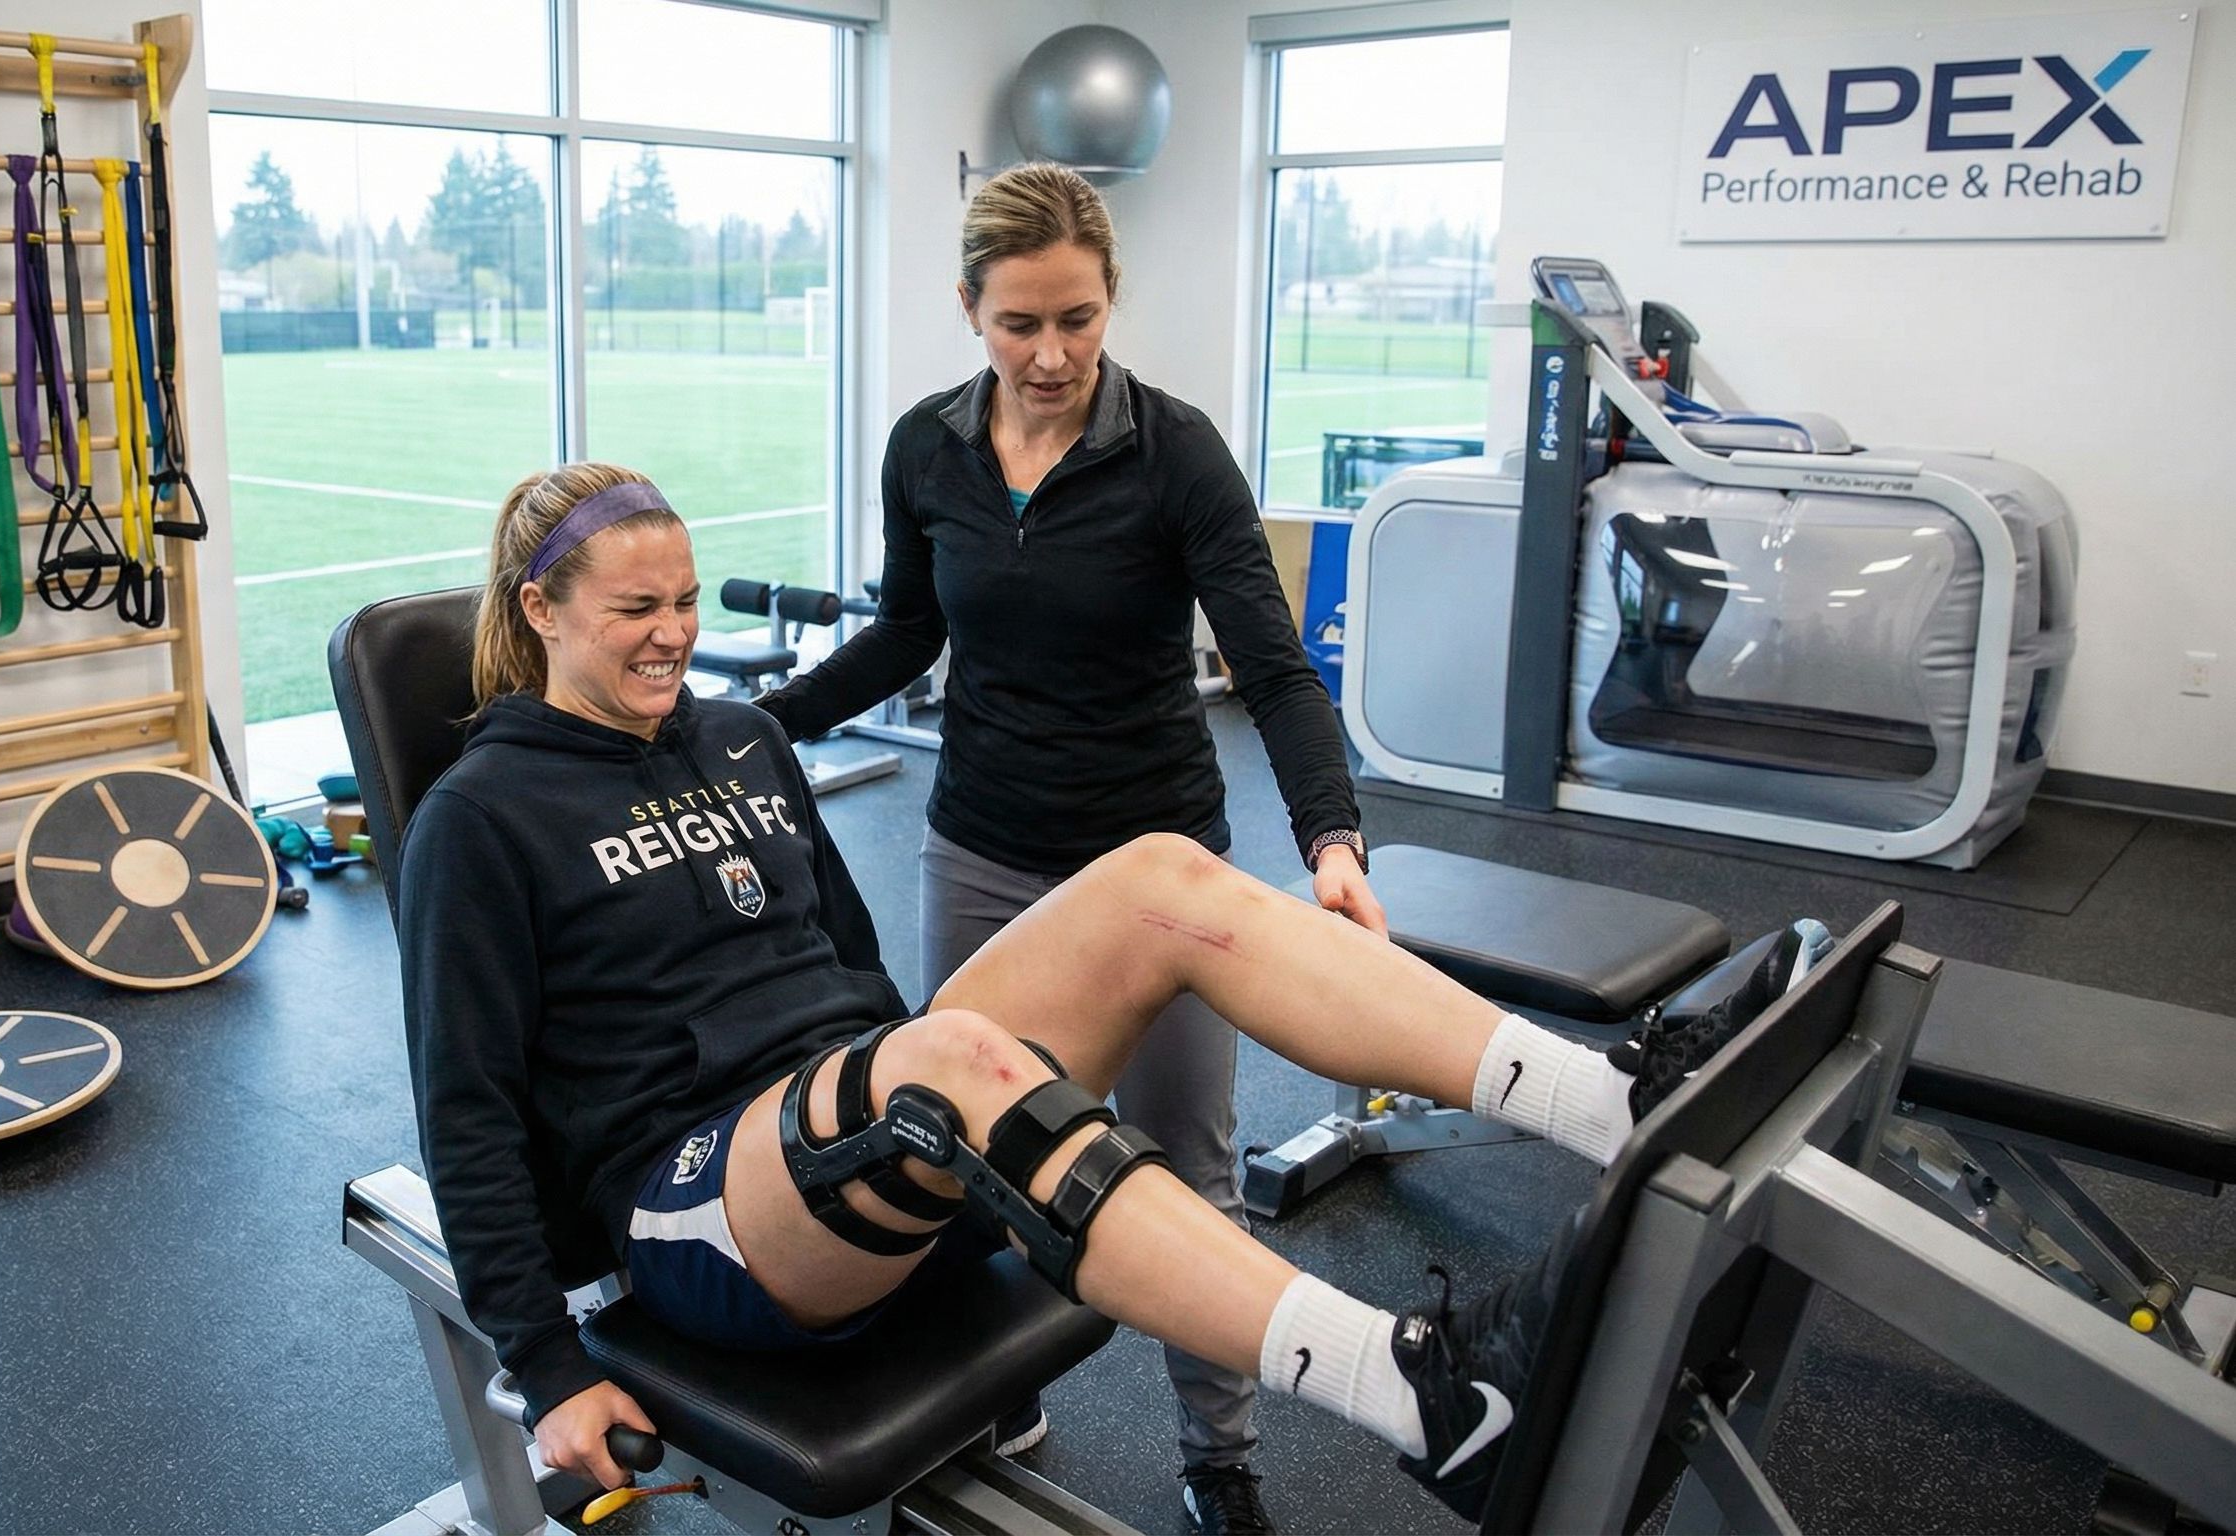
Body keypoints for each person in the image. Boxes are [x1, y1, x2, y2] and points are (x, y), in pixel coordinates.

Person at [401, 464, 1791, 1526]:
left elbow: (853, 973)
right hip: (699, 1206)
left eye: (686, 601)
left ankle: (1612, 1094)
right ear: (539, 613)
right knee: (940, 1057)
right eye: (634, 611)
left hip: (855, 1123)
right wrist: (542, 1359)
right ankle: (1423, 1398)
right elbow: (463, 1111)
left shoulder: (741, 738)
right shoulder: (482, 816)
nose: (673, 636)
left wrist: (936, 1122)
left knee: (1156, 874)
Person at [754, 163, 1368, 1530]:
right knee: (946, 1151)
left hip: (1156, 870)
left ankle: (1218, 1459)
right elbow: (909, 630)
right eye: (1019, 323)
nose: (1050, 355)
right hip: (977, 848)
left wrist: (1329, 840)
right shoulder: (926, 447)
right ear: (968, 308)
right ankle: (993, 1396)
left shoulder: (1175, 448)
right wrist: (761, 727)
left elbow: (1269, 665)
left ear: (1109, 306)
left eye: (1077, 321)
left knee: (1182, 1168)